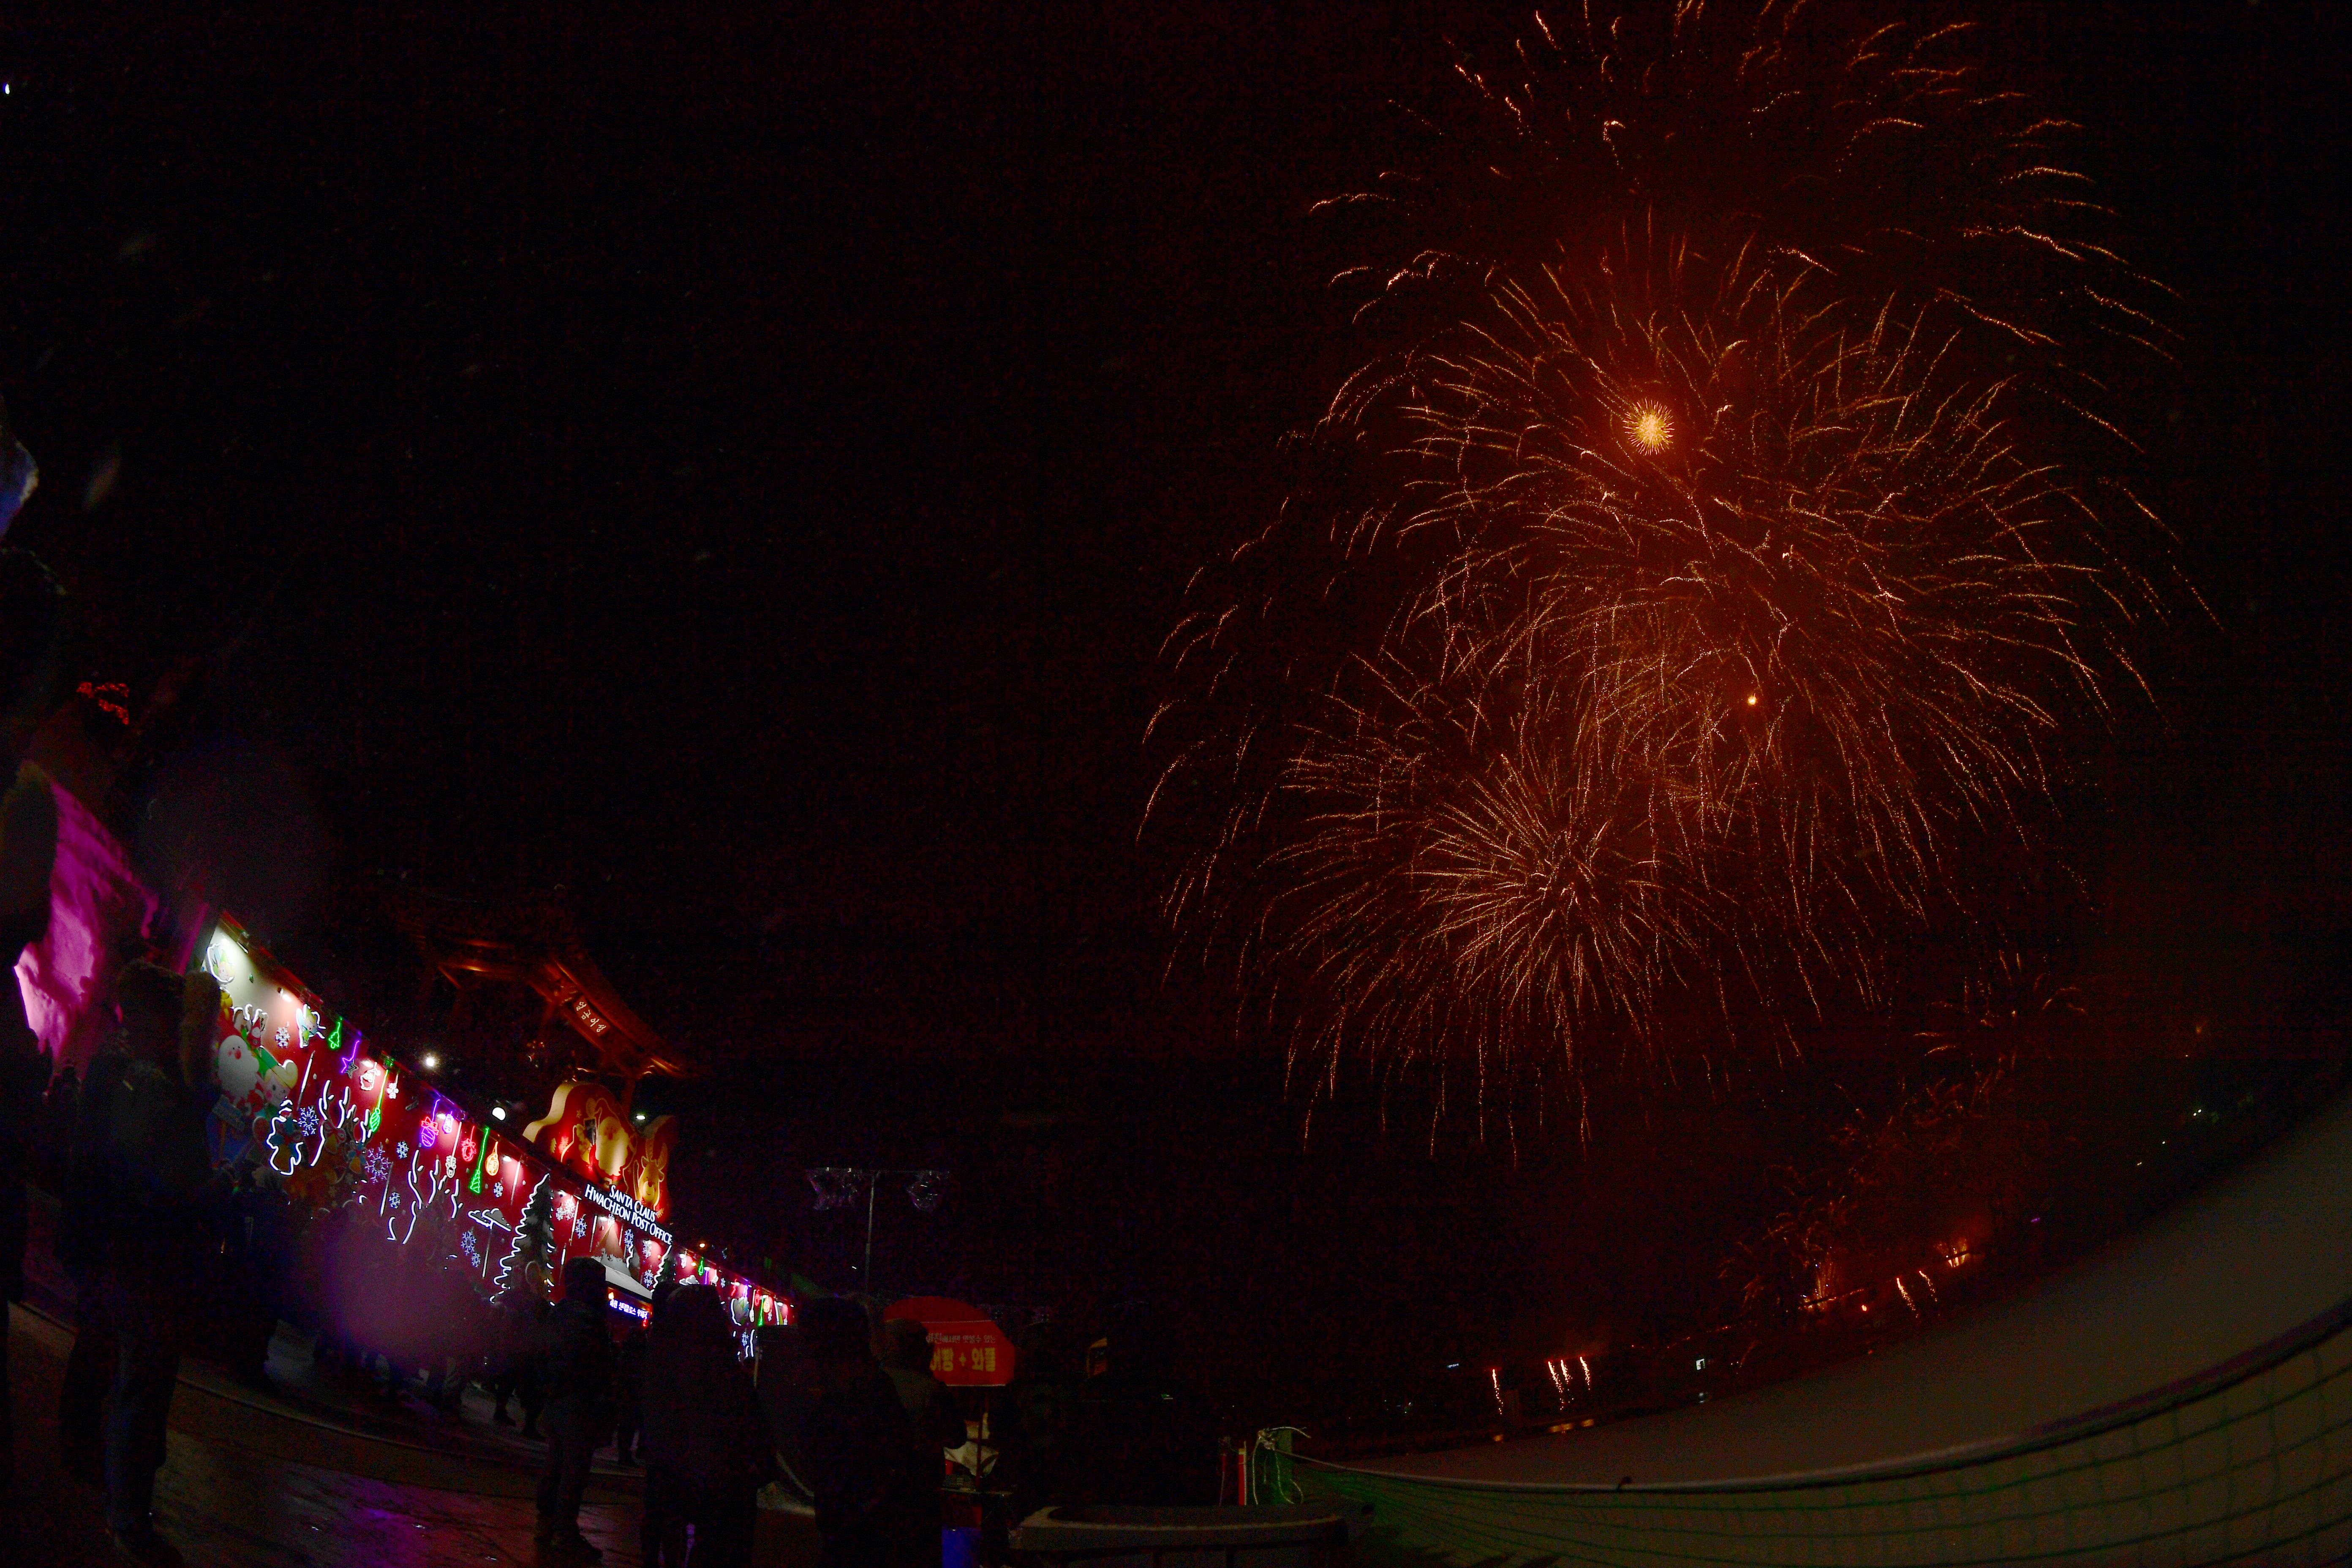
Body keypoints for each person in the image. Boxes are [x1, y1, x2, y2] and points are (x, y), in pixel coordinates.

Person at [63, 961, 221, 1565]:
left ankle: (110, 1491)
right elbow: (146, 1172)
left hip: (139, 1254)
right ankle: (123, 1511)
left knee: (133, 1377)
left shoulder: (147, 1079)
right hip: (143, 1255)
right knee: (139, 1383)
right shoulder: (144, 1083)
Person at [784, 1298, 934, 1568]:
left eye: (807, 1340)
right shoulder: (866, 1388)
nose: (802, 1350)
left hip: (862, 1533)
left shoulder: (859, 1394)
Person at [637, 1284, 771, 1568]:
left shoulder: (664, 1355)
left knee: (664, 1521)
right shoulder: (720, 1363)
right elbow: (742, 1414)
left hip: (672, 1460)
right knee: (712, 1538)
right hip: (712, 1468)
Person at [536, 1257, 619, 1562]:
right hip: (578, 1404)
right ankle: (563, 1531)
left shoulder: (562, 1314)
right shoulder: (588, 1320)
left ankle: (547, 1524)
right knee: (573, 1470)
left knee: (556, 1465)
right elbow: (591, 1364)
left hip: (559, 1399)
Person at [882, 1317, 967, 1455]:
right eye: (924, 1342)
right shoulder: (931, 1390)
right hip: (919, 1469)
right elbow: (956, 1438)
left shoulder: (866, 1380)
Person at [612, 1320, 647, 1465]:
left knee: (627, 1425)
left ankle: (625, 1452)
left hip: (627, 1393)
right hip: (633, 1394)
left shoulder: (625, 1354)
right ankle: (627, 1453)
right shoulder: (639, 1357)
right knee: (630, 1424)